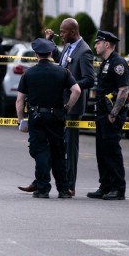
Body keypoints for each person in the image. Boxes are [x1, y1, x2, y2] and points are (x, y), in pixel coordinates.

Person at [18, 18, 95, 196]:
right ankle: (40, 181)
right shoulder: (68, 46)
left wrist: (69, 84)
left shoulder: (84, 51)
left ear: (73, 31)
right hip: (59, 105)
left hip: (72, 107)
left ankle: (69, 185)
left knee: (68, 149)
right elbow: (61, 61)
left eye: (63, 31)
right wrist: (50, 42)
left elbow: (90, 79)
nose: (61, 34)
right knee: (51, 145)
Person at [16, 39, 81, 198]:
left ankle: (43, 188)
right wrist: (67, 107)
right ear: (51, 53)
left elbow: (19, 100)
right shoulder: (63, 72)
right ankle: (63, 190)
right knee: (58, 152)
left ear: (36, 54)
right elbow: (77, 91)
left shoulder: (28, 73)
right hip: (57, 116)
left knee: (40, 152)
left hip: (37, 117)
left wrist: (21, 120)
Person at [86, 30, 129, 201]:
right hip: (102, 113)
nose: (95, 45)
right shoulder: (106, 62)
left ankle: (118, 188)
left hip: (111, 115)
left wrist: (113, 114)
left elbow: (124, 90)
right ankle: (105, 186)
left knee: (112, 152)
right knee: (102, 152)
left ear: (106, 44)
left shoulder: (118, 63)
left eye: (98, 43)